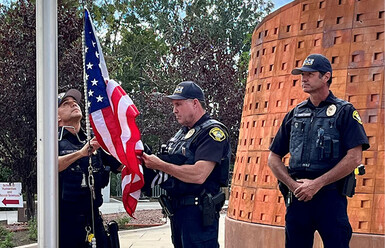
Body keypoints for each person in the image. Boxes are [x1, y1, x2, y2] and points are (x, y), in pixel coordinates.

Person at [268, 54, 370, 248]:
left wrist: (316, 184)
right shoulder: (295, 113)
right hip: (298, 198)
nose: (303, 78)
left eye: (310, 74)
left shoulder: (344, 111)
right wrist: (292, 185)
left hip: (330, 198)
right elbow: (273, 157)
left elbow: (354, 157)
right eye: (302, 74)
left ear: (326, 77)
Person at [142, 81, 230, 248]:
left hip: (199, 213)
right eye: (174, 105)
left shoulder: (212, 132)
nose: (174, 110)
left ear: (195, 103)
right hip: (178, 211)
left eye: (178, 104)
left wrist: (161, 165)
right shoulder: (182, 134)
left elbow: (198, 174)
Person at [58, 88, 123, 248]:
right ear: (56, 116)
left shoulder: (95, 140)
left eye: (75, 102)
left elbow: (121, 166)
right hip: (65, 226)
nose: (74, 105)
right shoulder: (51, 141)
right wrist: (80, 154)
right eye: (66, 104)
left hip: (94, 221)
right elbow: (49, 167)